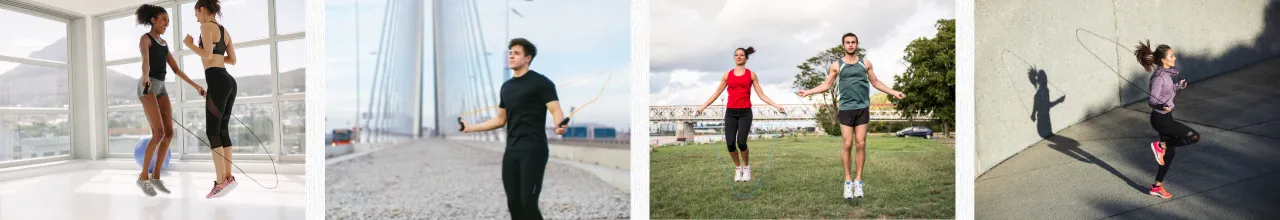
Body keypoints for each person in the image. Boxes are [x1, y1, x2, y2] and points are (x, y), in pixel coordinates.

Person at [458, 38, 568, 220]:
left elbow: (556, 110)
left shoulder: (541, 83)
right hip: (512, 150)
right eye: (510, 53)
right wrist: (470, 128)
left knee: (528, 203)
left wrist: (559, 126)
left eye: (516, 53)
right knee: (513, 203)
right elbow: (500, 120)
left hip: (533, 149)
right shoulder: (506, 87)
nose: (511, 56)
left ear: (528, 58)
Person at [797, 33, 906, 199]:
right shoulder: (836, 65)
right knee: (847, 144)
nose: (850, 45)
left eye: (853, 42)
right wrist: (808, 91)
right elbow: (826, 85)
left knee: (861, 144)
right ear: (843, 45)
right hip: (846, 108)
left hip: (862, 107)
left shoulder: (865, 63)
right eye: (847, 42)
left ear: (857, 44)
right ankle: (848, 181)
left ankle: (858, 181)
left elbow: (876, 83)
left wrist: (893, 92)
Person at [133, 4, 205, 197]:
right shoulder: (145, 39)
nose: (166, 23)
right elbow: (145, 62)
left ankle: (156, 176)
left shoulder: (163, 44)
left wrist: (196, 86)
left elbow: (176, 69)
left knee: (169, 133)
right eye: (163, 19)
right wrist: (146, 77)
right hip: (147, 86)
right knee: (158, 133)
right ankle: (143, 177)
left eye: (168, 20)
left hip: (161, 86)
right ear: (153, 20)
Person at [694, 46, 786, 183]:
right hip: (730, 112)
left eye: (741, 55)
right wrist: (702, 107)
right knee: (730, 143)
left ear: (746, 58)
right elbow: (717, 93)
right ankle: (738, 168)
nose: (739, 57)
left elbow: (761, 95)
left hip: (745, 113)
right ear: (734, 57)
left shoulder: (751, 75)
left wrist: (777, 106)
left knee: (741, 142)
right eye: (736, 55)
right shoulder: (727, 75)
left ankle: (747, 167)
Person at [183, 0, 240, 199]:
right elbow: (232, 60)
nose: (196, 18)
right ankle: (228, 177)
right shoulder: (225, 31)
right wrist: (215, 57)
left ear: (202, 10)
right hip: (228, 82)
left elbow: (206, 54)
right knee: (222, 130)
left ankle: (220, 181)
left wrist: (190, 45)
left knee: (212, 132)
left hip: (217, 80)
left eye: (196, 14)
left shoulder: (206, 26)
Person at [1135, 40, 1198, 199]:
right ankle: (1160, 145)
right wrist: (1162, 106)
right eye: (1171, 56)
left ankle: (1156, 187)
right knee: (1194, 137)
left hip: (1165, 117)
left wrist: (1179, 86)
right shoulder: (1158, 78)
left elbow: (1168, 91)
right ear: (1163, 59)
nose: (1175, 58)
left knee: (1169, 155)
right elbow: (1152, 100)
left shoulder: (1169, 73)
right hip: (1160, 119)